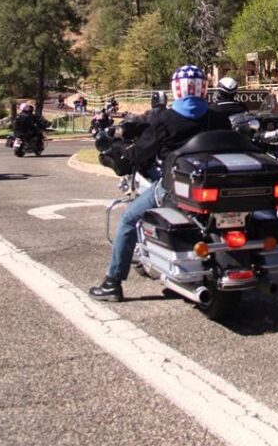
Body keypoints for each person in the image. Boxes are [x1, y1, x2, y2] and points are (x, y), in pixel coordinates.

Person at [88, 64, 231, 302]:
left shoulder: (166, 119)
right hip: (215, 184)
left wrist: (122, 151)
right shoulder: (218, 118)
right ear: (203, 88)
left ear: (176, 89)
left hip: (174, 186)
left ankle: (112, 283)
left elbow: (140, 154)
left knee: (127, 219)